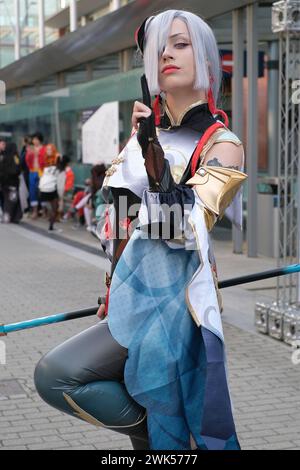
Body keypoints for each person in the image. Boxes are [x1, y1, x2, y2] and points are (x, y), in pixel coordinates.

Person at [34, 10, 247, 450]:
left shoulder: (220, 144)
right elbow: (120, 224)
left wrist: (152, 159)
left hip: (176, 312)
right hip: (133, 303)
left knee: (57, 375)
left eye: (181, 44)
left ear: (207, 63)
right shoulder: (141, 137)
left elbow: (182, 229)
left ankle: (173, 431)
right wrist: (114, 290)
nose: (167, 53)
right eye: (159, 48)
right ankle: (172, 434)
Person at [38, 143, 60, 232]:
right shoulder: (44, 160)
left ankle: (51, 226)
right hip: (46, 187)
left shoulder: (57, 158)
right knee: (53, 208)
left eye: (50, 149)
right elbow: (41, 173)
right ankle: (51, 225)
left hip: (52, 186)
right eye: (47, 149)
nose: (48, 151)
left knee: (54, 207)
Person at [0, 142, 22, 223]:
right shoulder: (15, 157)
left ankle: (10, 217)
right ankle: (15, 217)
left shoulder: (4, 157)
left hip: (5, 183)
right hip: (13, 183)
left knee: (7, 200)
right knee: (13, 200)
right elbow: (18, 168)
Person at [25, 132, 46, 219]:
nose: (35, 141)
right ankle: (35, 211)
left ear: (40, 140)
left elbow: (46, 160)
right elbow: (27, 160)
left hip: (42, 171)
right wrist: (30, 153)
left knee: (43, 191)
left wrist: (38, 153)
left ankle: (45, 211)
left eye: (36, 139)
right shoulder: (30, 149)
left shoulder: (44, 149)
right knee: (33, 191)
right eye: (34, 139)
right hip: (32, 171)